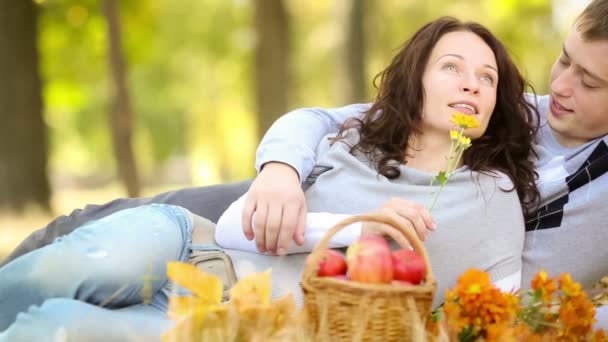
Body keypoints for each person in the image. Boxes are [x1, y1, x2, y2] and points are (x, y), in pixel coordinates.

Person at [0, 17, 539, 340]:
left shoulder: (492, 201)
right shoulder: (353, 139)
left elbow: (491, 321)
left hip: (238, 324)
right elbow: (236, 227)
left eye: (486, 78)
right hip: (201, 246)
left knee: (50, 328)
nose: (471, 84)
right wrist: (354, 228)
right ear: (416, 78)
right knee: (65, 269)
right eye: (452, 67)